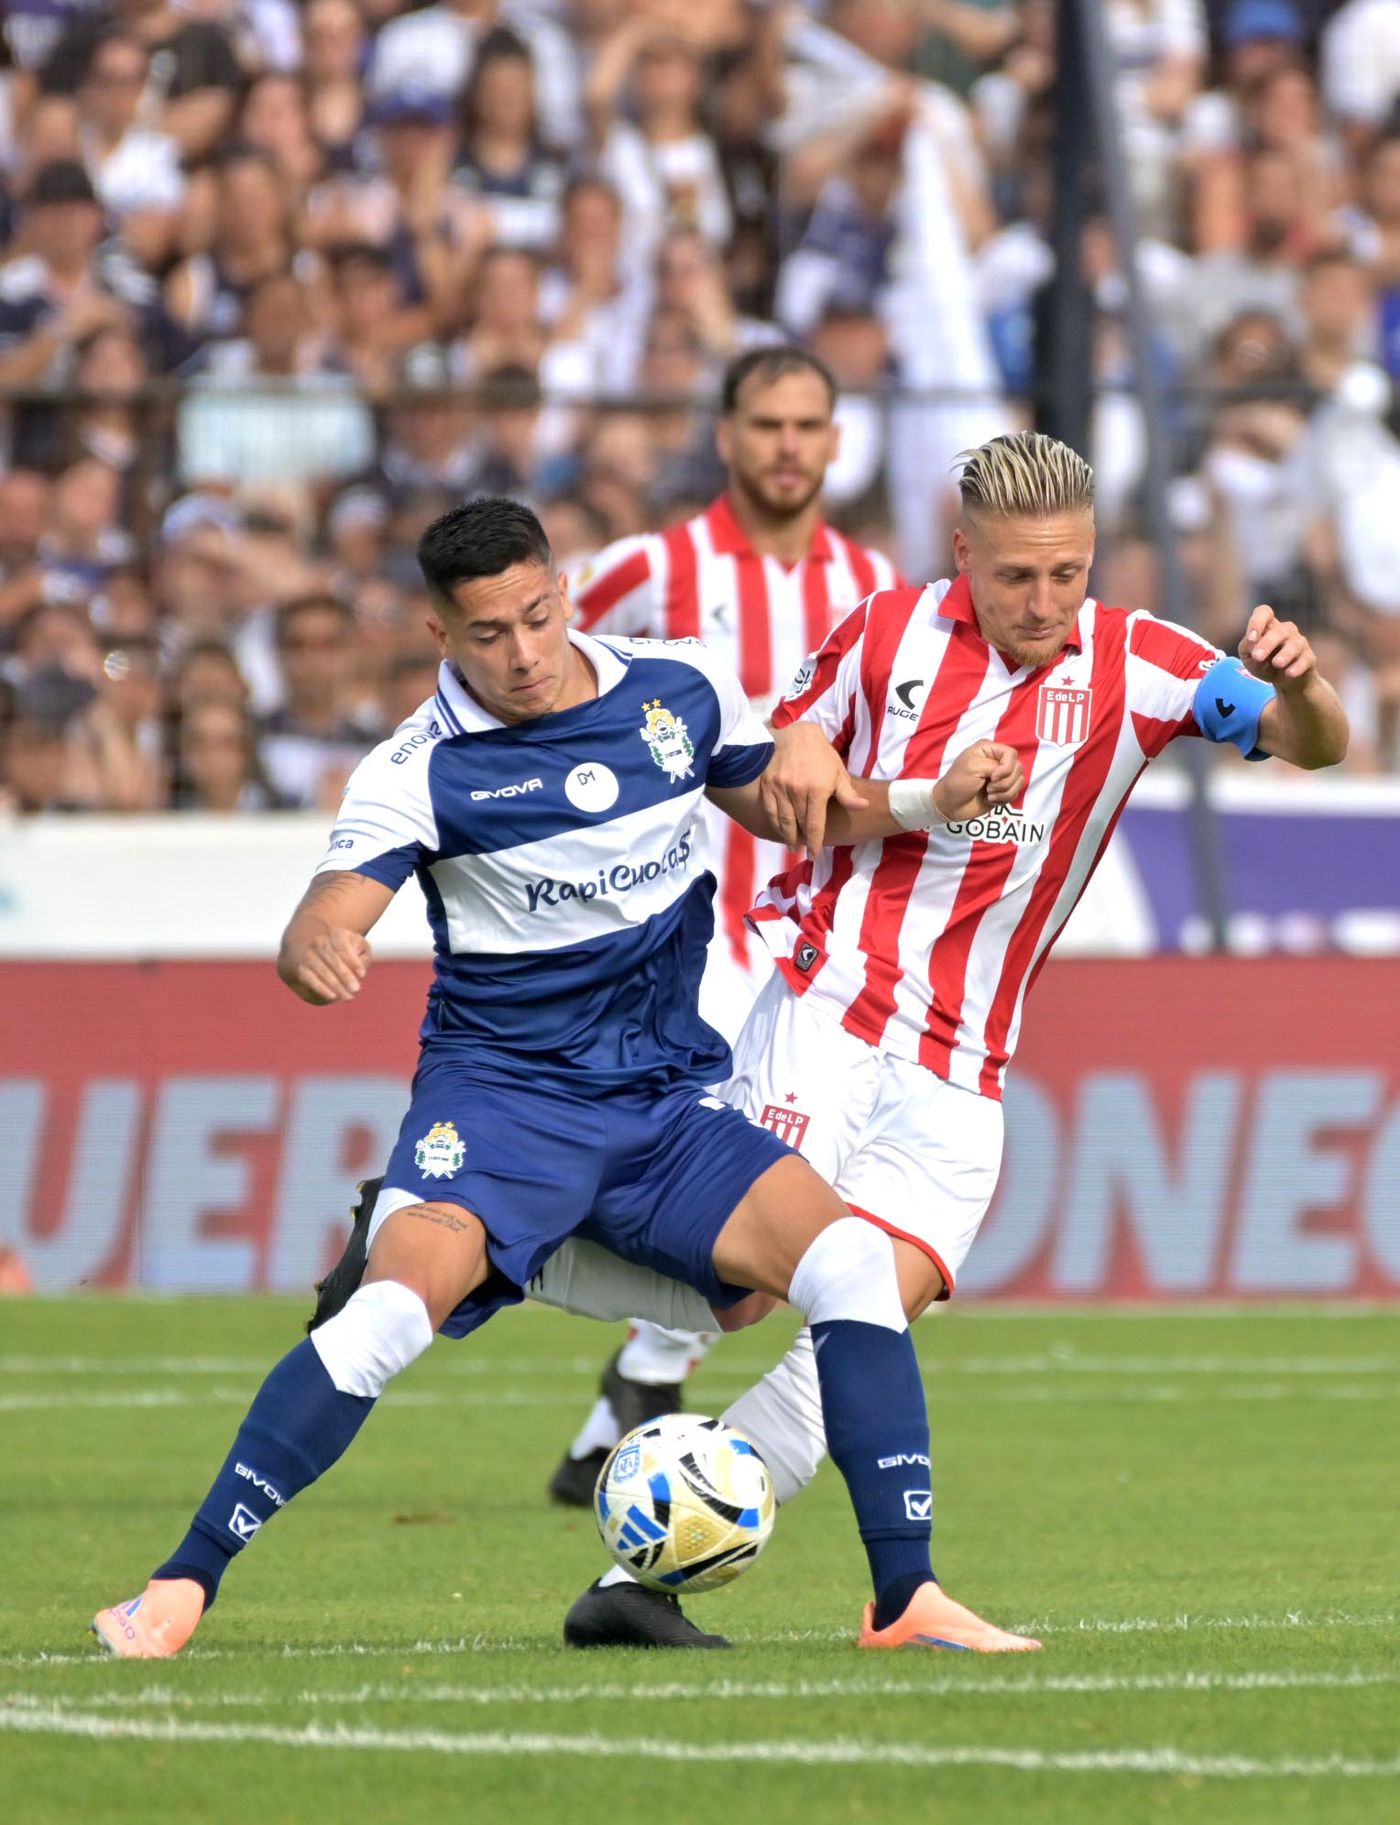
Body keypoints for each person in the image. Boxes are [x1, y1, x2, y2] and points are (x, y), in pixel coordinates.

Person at [91, 495, 1032, 1661]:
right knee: (391, 1317)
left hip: (657, 1106)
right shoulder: (414, 771)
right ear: (442, 635)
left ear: (562, 591)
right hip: (502, 1109)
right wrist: (315, 946)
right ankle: (178, 1586)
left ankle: (902, 1598)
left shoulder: (674, 691)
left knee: (844, 1269)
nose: (522, 653)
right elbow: (322, 916)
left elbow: (802, 811)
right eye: (488, 634)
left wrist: (926, 799)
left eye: (537, 616)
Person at [536, 430, 1349, 1649]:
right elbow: (787, 764)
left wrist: (1300, 683)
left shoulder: (1143, 664)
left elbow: (1311, 744)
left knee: (860, 1331)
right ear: (961, 551)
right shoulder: (883, 633)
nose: (1042, 601)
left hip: (967, 1071)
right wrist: (819, 753)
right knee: (741, 1298)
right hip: (833, 1017)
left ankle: (672, 1587)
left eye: (1065, 573)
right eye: (1015, 575)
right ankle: (489, 1232)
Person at [550, 343, 900, 1504]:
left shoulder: (870, 582)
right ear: (726, 434)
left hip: (815, 939)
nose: (788, 447)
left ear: (835, 441)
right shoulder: (655, 567)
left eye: (809, 424)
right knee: (724, 1197)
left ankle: (631, 1391)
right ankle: (594, 1349)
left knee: (776, 1202)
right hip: (674, 929)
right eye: (766, 425)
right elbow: (536, 655)